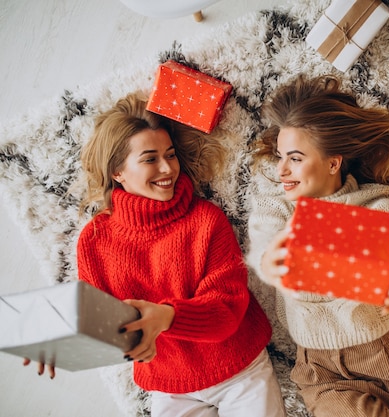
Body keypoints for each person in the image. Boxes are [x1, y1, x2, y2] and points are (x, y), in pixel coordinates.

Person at [26, 91, 287, 417]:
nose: (167, 168)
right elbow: (100, 319)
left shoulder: (206, 219)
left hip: (238, 368)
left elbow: (227, 309)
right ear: (118, 172)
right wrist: (63, 340)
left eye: (171, 155)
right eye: (150, 159)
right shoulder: (94, 240)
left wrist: (167, 316)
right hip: (168, 385)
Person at [246, 74, 389, 417]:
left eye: (295, 158)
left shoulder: (377, 201)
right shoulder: (277, 207)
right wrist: (268, 259)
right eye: (280, 156)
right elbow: (263, 243)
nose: (281, 170)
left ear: (333, 162)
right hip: (321, 370)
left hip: (385, 360)